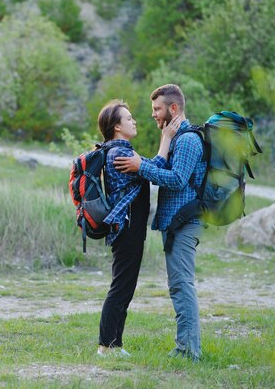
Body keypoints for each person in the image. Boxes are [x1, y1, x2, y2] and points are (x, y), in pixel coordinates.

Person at [114, 84, 207, 362]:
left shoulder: (189, 141)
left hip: (185, 223)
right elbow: (162, 171)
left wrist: (139, 166)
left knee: (182, 284)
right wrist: (151, 156)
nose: (153, 114)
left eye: (157, 109)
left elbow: (177, 179)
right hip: (175, 223)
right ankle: (185, 347)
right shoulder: (176, 139)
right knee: (178, 285)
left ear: (173, 109)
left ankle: (189, 351)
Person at [96, 99, 179, 357]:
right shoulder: (119, 153)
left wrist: (163, 143)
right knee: (121, 286)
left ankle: (113, 344)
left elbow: (151, 168)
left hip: (129, 226)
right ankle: (106, 345)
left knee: (125, 285)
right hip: (127, 227)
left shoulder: (121, 149)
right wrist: (166, 139)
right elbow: (155, 169)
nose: (134, 121)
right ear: (117, 126)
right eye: (129, 118)